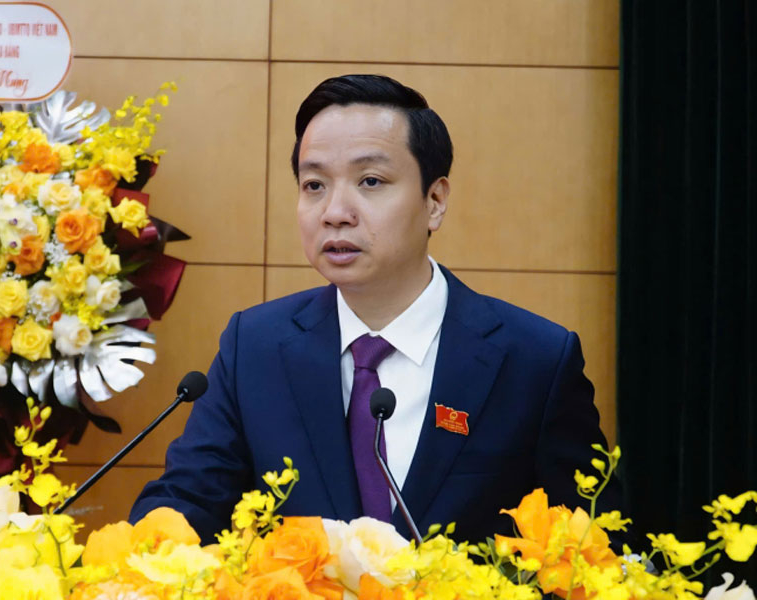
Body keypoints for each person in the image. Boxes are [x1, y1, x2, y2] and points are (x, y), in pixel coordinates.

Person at [130, 74, 620, 543]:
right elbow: (187, 502)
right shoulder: (254, 348)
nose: (334, 213)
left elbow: (597, 543)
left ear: (434, 201)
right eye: (314, 185)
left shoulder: (534, 360)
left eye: (369, 181)